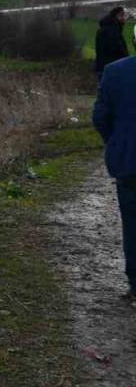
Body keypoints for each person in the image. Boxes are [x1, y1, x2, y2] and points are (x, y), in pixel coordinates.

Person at [93, 52, 136, 302]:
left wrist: (116, 141)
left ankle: (135, 283)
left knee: (132, 224)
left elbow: (100, 116)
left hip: (128, 161)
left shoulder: (114, 71)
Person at [94, 7, 129, 77]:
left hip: (102, 67)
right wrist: (127, 60)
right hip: (112, 69)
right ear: (117, 16)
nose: (125, 18)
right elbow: (116, 49)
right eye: (123, 15)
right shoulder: (113, 30)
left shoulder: (105, 28)